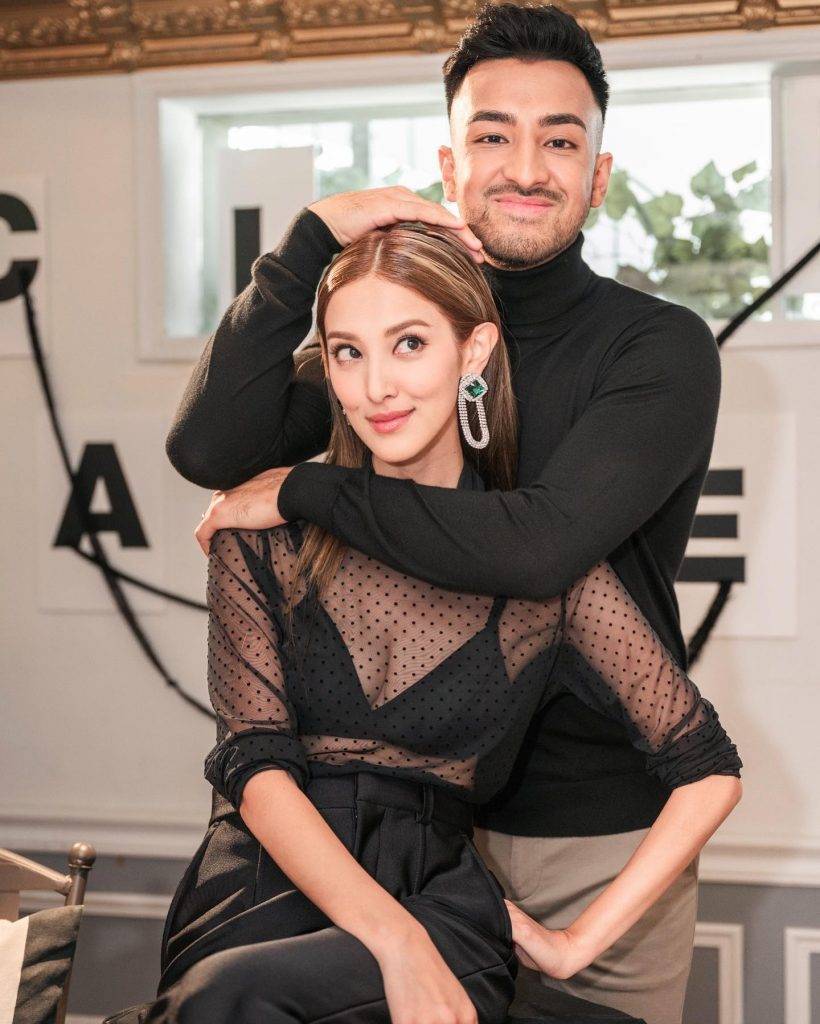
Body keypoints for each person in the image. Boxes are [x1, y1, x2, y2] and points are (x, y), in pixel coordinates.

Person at [166, 7, 731, 1022]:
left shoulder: (656, 348)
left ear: (599, 176)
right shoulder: (403, 336)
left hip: (595, 833)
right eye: (492, 135)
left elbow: (540, 547)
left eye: (560, 140)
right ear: (450, 165)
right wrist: (310, 239)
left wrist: (301, 488)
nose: (526, 168)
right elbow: (207, 449)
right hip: (424, 832)